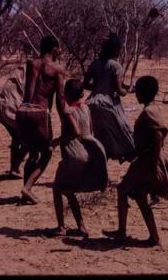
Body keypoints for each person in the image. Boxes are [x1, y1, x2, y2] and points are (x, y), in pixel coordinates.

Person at [102, 76, 168, 247]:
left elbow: (158, 136)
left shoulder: (148, 112)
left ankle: (122, 232)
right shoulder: (153, 109)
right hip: (146, 157)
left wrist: (151, 165)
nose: (136, 94)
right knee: (140, 196)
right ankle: (154, 237)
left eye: (138, 91)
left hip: (148, 160)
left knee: (122, 190)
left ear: (143, 93)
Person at [49, 79, 108, 237]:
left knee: (57, 189)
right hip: (89, 150)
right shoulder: (86, 108)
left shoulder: (69, 111)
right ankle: (81, 226)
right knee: (68, 191)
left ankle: (61, 227)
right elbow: (89, 130)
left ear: (67, 94)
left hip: (75, 152)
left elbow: (75, 132)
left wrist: (56, 141)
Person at [16, 35, 65, 205]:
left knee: (32, 151)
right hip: (41, 113)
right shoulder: (57, 69)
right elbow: (60, 99)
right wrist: (66, 119)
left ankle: (24, 194)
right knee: (47, 153)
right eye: (59, 48)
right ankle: (27, 188)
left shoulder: (32, 63)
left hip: (25, 111)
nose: (60, 51)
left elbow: (28, 92)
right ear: (53, 50)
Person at [83, 33, 135, 162]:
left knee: (101, 134)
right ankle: (126, 154)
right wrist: (126, 91)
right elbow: (118, 89)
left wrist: (97, 89)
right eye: (118, 48)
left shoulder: (95, 63)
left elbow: (85, 84)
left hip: (92, 102)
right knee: (124, 131)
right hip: (108, 103)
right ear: (115, 49)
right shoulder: (116, 66)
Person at [0, 64, 28, 178]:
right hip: (11, 108)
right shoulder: (30, 73)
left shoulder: (18, 72)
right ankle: (16, 166)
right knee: (29, 138)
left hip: (0, 107)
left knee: (17, 138)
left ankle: (14, 169)